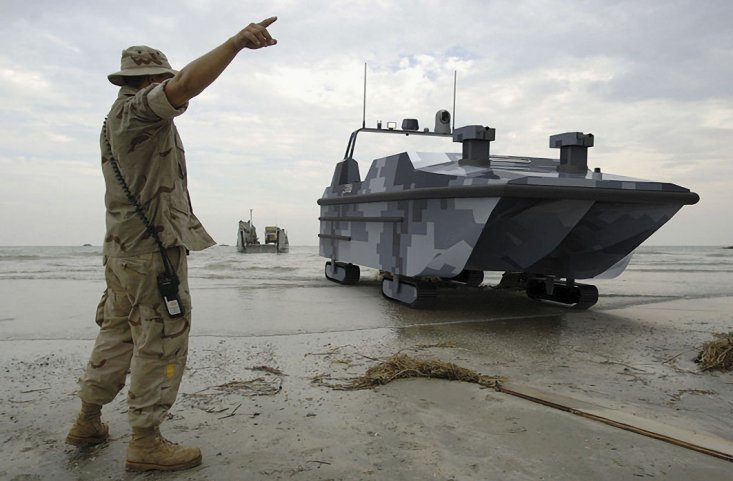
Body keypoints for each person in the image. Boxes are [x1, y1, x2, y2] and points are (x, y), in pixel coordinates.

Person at [65, 17, 278, 472]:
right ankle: (145, 441)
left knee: (118, 331)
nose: (169, 87)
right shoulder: (139, 109)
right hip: (149, 252)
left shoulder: (114, 118)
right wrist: (236, 43)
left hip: (123, 251)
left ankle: (88, 419)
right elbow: (185, 86)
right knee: (161, 338)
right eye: (162, 80)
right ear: (148, 81)